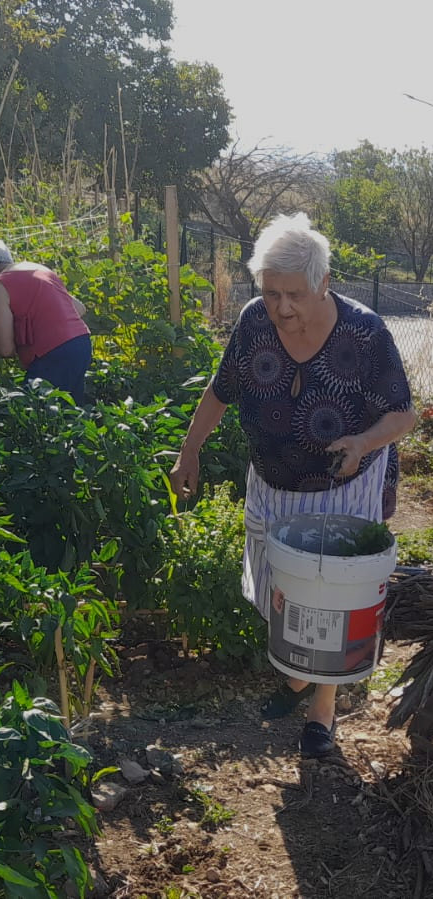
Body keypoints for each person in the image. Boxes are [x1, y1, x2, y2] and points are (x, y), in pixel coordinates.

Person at [169, 212, 417, 759]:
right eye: (273, 292)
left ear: (324, 283)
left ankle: (320, 712)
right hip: (273, 484)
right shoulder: (256, 321)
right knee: (280, 591)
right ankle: (298, 674)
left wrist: (362, 443)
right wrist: (190, 451)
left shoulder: (364, 331)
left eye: (296, 295)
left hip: (341, 485)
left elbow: (405, 415)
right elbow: (221, 389)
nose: (283, 308)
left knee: (332, 596)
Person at [0, 238, 92, 403]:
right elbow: (79, 308)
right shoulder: (39, 269)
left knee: (34, 412)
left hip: (52, 354)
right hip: (81, 344)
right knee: (71, 411)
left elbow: (5, 349)